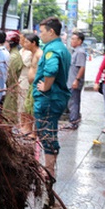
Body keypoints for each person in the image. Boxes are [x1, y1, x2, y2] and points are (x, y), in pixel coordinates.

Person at [33, 16, 71, 179]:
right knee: (50, 132)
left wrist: (46, 86)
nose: (40, 35)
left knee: (47, 133)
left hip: (49, 98)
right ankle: (50, 168)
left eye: (42, 32)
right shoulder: (61, 48)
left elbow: (51, 70)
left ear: (51, 31)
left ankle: (49, 171)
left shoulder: (52, 50)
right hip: (56, 97)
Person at [19, 32, 41, 136]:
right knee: (28, 107)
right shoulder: (32, 53)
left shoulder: (39, 54)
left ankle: (35, 132)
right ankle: (28, 129)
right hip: (31, 84)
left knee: (33, 108)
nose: (24, 43)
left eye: (27, 42)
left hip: (36, 85)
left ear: (33, 43)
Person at [64, 31, 87, 130]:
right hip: (71, 81)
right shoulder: (75, 51)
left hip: (74, 81)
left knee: (74, 102)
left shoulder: (80, 52)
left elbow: (82, 67)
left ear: (80, 41)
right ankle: (73, 121)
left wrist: (76, 80)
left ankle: (74, 122)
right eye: (71, 39)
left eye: (74, 39)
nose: (72, 41)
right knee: (71, 102)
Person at [2, 31, 24, 123]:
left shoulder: (13, 57)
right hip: (10, 89)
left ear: (10, 43)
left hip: (11, 90)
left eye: (6, 42)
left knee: (8, 117)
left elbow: (9, 76)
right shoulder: (12, 55)